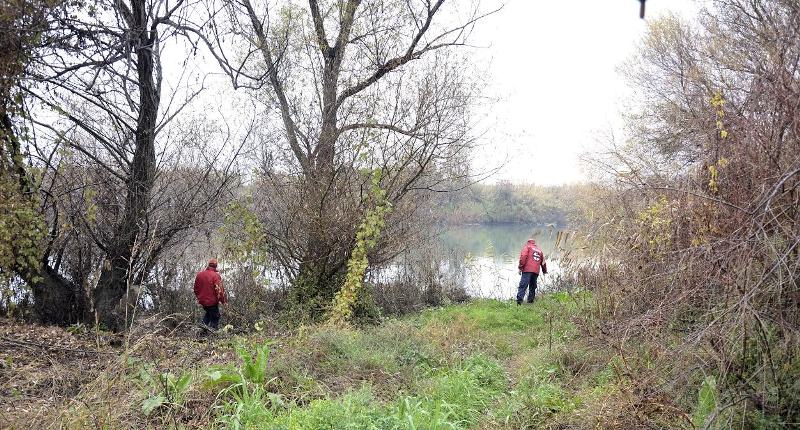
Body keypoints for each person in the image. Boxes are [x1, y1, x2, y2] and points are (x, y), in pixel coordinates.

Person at [194, 258, 227, 329]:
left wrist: (200, 298)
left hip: (203, 301)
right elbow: (220, 290)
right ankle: (212, 334)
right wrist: (223, 301)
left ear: (208, 265)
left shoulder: (199, 274)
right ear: (216, 266)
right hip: (212, 302)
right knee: (215, 317)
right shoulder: (215, 276)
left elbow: (195, 289)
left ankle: (201, 332)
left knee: (208, 314)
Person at [517, 238, 547, 305]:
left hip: (527, 269)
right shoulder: (539, 250)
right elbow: (543, 262)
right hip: (536, 271)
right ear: (534, 243)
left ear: (528, 242)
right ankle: (530, 302)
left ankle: (519, 301)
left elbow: (523, 257)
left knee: (523, 285)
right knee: (532, 286)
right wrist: (544, 270)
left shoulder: (527, 247)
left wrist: (520, 267)